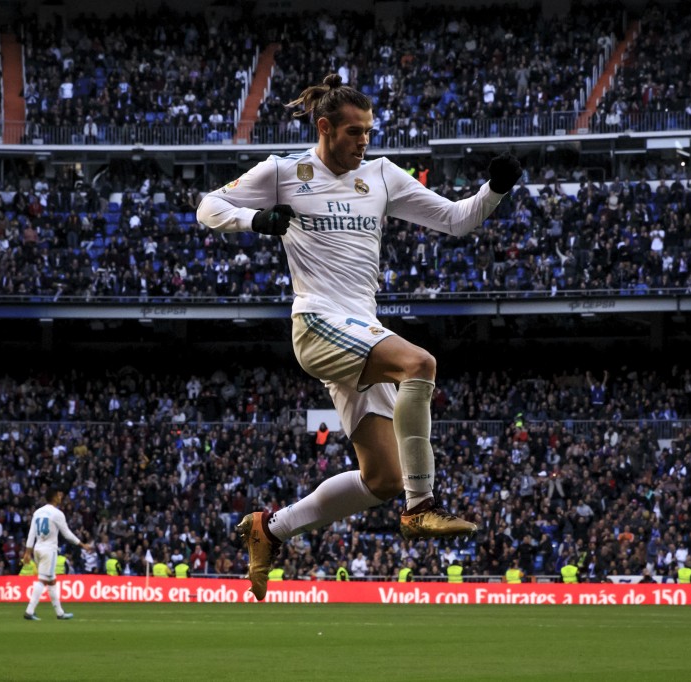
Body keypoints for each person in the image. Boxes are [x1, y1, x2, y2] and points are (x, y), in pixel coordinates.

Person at [197, 73, 522, 601]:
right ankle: (421, 510)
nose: (364, 141)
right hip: (319, 321)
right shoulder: (284, 171)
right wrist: (254, 220)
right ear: (324, 128)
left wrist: (496, 190)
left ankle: (270, 528)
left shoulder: (383, 176)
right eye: (354, 132)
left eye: (369, 131)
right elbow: (208, 206)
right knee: (419, 364)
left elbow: (456, 220)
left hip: (360, 330)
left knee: (383, 478)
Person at [21, 487, 91, 621]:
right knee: (42, 580)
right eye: (59, 495)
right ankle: (29, 611)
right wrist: (82, 544)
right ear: (53, 497)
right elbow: (67, 534)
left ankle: (60, 613)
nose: (61, 498)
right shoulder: (57, 514)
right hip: (49, 550)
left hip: (37, 549)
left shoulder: (37, 512)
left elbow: (31, 534)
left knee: (51, 581)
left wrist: (27, 552)